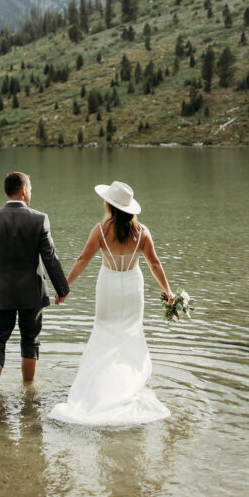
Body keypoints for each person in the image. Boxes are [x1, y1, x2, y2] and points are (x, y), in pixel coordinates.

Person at [49, 180, 173, 426]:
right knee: (130, 333)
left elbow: (83, 259)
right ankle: (128, 384)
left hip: (108, 287)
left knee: (105, 332)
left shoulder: (101, 230)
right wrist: (168, 292)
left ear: (110, 205)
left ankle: (101, 386)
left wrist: (65, 287)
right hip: (132, 288)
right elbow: (155, 264)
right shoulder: (143, 233)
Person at [0, 171, 69, 390]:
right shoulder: (39, 219)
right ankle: (29, 390)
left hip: (0, 291)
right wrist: (61, 288)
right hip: (31, 293)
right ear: (24, 191)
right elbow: (50, 257)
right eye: (30, 190)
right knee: (30, 339)